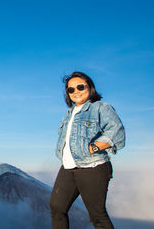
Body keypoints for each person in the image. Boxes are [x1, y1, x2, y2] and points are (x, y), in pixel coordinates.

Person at [50, 71, 125, 229]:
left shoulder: (100, 108)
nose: (76, 91)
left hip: (93, 167)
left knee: (97, 215)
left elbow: (116, 131)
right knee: (57, 208)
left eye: (80, 87)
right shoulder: (69, 113)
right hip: (68, 168)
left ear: (90, 88)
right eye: (71, 89)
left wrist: (93, 147)